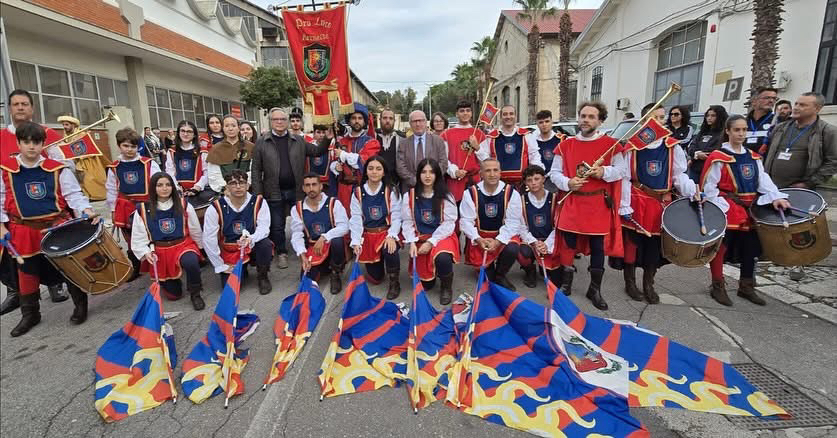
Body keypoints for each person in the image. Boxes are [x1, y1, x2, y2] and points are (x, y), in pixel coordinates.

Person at [0, 121, 99, 336]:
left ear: (43, 144)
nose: (31, 146)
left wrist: (86, 210)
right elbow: (0, 200)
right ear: (18, 143)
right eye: (26, 142)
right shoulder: (5, 170)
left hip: (56, 226)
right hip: (23, 229)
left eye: (36, 142)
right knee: (27, 272)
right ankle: (30, 314)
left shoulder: (57, 168)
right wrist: (1, 227)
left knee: (68, 266)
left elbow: (73, 195)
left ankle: (80, 304)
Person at [701, 115, 790, 306]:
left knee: (751, 248)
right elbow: (709, 187)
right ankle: (717, 285)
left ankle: (746, 286)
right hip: (729, 207)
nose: (741, 134)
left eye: (744, 130)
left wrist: (776, 197)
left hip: (751, 208)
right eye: (737, 130)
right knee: (721, 247)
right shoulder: (718, 157)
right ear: (728, 131)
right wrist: (721, 206)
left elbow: (763, 180)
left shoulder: (753, 156)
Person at [548, 101, 626, 311]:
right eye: (583, 116)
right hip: (572, 200)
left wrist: (604, 172)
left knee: (598, 246)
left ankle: (594, 289)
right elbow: (554, 173)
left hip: (597, 203)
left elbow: (621, 170)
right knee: (568, 244)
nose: (586, 120)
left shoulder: (611, 144)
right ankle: (566, 284)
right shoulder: (566, 145)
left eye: (591, 117)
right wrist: (568, 183)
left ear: (600, 121)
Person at [618, 103, 697, 304]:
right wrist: (624, 204)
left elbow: (679, 175)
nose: (661, 122)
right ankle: (630, 283)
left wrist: (691, 190)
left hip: (661, 203)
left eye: (662, 117)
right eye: (656, 118)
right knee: (632, 244)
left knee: (654, 246)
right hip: (637, 200)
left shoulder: (672, 146)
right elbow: (625, 178)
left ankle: (648, 284)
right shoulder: (632, 146)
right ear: (644, 121)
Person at [0, 90, 64, 314]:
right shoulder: (1, 137)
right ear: (9, 108)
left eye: (24, 104)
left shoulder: (48, 135)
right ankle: (15, 292)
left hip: (44, 204)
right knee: (14, 254)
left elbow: (64, 165)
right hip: (12, 206)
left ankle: (56, 285)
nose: (20, 107)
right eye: (16, 104)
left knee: (50, 248)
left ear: (32, 108)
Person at [251, 108, 330, 269]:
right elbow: (256, 169)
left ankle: (305, 249)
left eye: (282, 119)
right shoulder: (262, 142)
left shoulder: (298, 140)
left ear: (287, 122)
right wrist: (258, 193)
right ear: (271, 122)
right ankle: (282, 253)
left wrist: (327, 139)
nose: (279, 122)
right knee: (277, 225)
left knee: (303, 220)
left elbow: (317, 151)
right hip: (273, 191)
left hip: (297, 190)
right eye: (276, 119)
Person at [131, 172, 206, 309]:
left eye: (168, 185)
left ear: (172, 187)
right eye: (159, 185)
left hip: (183, 245)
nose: (164, 188)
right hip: (160, 251)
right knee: (174, 295)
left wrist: (201, 248)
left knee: (191, 262)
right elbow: (138, 236)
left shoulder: (183, 204)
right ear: (153, 188)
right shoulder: (142, 209)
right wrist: (146, 252)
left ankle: (195, 293)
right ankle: (173, 282)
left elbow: (195, 228)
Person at [203, 170, 273, 295]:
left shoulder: (259, 202)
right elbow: (209, 239)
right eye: (233, 183)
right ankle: (242, 269)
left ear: (248, 185)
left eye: (242, 182)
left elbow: (264, 228)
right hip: (230, 251)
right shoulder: (215, 207)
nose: (238, 186)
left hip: (251, 246)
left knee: (265, 244)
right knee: (230, 290)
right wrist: (220, 265)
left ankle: (263, 276)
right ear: (227, 187)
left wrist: (251, 238)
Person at [106, 128, 162, 281]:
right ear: (119, 146)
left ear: (138, 147)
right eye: (126, 146)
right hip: (126, 207)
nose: (129, 149)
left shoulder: (148, 163)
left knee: (152, 235)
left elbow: (159, 183)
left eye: (133, 146)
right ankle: (136, 267)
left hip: (146, 205)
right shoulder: (114, 167)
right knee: (130, 239)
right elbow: (111, 190)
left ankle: (158, 264)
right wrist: (113, 210)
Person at [460, 158, 523, 291]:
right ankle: (489, 270)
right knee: (487, 281)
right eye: (488, 170)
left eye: (495, 170)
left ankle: (500, 274)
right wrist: (478, 239)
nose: (492, 174)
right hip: (481, 239)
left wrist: (498, 241)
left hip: (502, 236)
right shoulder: (470, 193)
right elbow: (466, 221)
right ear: (481, 174)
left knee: (512, 248)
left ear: (500, 172)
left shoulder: (512, 193)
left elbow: (513, 222)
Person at [402, 158, 459, 304]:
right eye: (424, 172)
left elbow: (449, 223)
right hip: (420, 238)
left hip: (441, 236)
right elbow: (407, 222)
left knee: (443, 258)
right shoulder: (409, 196)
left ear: (437, 175)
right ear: (418, 174)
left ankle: (446, 286)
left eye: (432, 172)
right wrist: (411, 242)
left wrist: (431, 242)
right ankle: (433, 273)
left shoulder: (446, 196)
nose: (427, 176)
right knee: (427, 286)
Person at [349, 156, 402, 298]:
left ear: (384, 172)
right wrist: (356, 241)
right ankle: (379, 263)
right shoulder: (357, 192)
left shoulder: (391, 190)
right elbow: (356, 218)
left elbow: (397, 216)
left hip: (386, 233)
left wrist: (392, 235)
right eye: (371, 168)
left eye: (378, 169)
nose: (374, 172)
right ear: (365, 171)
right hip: (368, 235)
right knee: (375, 278)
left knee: (390, 250)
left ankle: (394, 282)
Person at [290, 173, 349, 295]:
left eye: (314, 184)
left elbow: (344, 227)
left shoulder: (333, 203)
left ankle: (336, 272)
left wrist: (324, 237)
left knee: (337, 240)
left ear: (321, 186)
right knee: (306, 282)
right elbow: (296, 234)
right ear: (303, 188)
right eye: (307, 185)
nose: (311, 188)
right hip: (313, 250)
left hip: (331, 247)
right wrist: (302, 255)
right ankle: (323, 268)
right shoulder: (298, 208)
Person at [764, 92, 837, 189]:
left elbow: (833, 162)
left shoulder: (827, 131)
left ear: (817, 109)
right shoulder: (780, 128)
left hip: (801, 191)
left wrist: (808, 184)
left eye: (802, 105)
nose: (796, 108)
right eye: (796, 104)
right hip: (771, 188)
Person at [330, 104, 382, 211]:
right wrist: (335, 167)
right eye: (353, 118)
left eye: (360, 118)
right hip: (343, 190)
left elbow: (364, 162)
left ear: (364, 121)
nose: (357, 121)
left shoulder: (371, 142)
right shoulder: (341, 141)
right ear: (349, 121)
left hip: (363, 189)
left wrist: (343, 155)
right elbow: (333, 162)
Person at [475, 105, 544, 184]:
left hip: (521, 183)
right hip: (498, 184)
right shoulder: (491, 137)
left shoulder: (526, 135)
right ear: (500, 117)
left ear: (516, 116)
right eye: (505, 114)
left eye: (511, 114)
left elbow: (535, 158)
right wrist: (477, 148)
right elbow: (486, 161)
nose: (508, 117)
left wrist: (539, 174)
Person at [517, 166, 561, 288]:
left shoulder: (555, 198)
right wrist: (535, 243)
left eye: (537, 179)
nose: (533, 183)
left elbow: (557, 226)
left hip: (550, 240)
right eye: (529, 180)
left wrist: (546, 244)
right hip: (531, 240)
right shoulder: (521, 200)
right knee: (522, 252)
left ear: (543, 179)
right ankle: (530, 270)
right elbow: (521, 227)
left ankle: (546, 268)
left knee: (554, 271)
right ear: (525, 183)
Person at [52, 115, 109, 202]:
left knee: (89, 179)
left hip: (87, 161)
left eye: (67, 125)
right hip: (77, 160)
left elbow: (83, 148)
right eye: (63, 125)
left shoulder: (81, 134)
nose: (64, 127)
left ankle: (94, 196)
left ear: (73, 125)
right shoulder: (67, 136)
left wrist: (76, 141)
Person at [440, 100, 485, 204]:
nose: (465, 113)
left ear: (471, 113)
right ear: (457, 114)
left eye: (468, 110)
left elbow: (486, 160)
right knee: (455, 209)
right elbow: (443, 159)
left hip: (474, 180)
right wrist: (454, 172)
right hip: (455, 181)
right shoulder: (446, 135)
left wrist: (477, 147)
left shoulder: (480, 134)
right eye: (462, 111)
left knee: (475, 208)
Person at [396, 110, 449, 194]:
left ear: (425, 122)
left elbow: (443, 163)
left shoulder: (438, 141)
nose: (418, 124)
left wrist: (429, 180)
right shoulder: (403, 144)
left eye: (420, 120)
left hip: (433, 189)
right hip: (410, 189)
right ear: (410, 124)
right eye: (414, 121)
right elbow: (400, 167)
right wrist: (415, 181)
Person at [207, 115, 254, 193]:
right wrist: (226, 188)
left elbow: (255, 170)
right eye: (226, 126)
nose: (230, 129)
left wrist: (245, 184)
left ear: (238, 128)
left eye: (233, 125)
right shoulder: (216, 149)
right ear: (223, 128)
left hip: (247, 190)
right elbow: (214, 175)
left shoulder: (250, 147)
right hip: (226, 192)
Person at [165, 120, 208, 197]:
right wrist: (176, 187)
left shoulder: (202, 151)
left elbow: (207, 172)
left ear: (194, 135)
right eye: (182, 131)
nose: (185, 134)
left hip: (198, 192)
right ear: (178, 133)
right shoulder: (172, 151)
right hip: (178, 192)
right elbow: (170, 172)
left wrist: (197, 187)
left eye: (189, 131)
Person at [687, 105, 728, 182]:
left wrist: (700, 154)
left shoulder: (724, 134)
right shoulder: (702, 132)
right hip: (695, 168)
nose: (709, 118)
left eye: (713, 116)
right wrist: (697, 154)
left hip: (712, 169)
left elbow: (717, 150)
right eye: (708, 115)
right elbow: (691, 146)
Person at [527, 110, 563, 192]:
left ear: (552, 122)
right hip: (538, 181)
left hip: (557, 180)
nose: (544, 124)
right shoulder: (532, 141)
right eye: (541, 122)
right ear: (537, 124)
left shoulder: (561, 140)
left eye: (547, 121)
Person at [376, 109, 404, 189]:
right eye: (385, 118)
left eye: (391, 118)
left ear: (394, 121)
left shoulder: (402, 138)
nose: (387, 121)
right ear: (380, 119)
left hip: (395, 184)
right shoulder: (372, 137)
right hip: (375, 183)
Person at [746, 87, 778, 154]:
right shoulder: (744, 121)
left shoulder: (777, 121)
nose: (771, 101)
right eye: (767, 98)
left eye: (774, 98)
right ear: (754, 101)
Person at [306, 124, 335, 195]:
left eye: (324, 132)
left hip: (327, 184)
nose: (321, 135)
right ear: (313, 134)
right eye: (318, 132)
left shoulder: (332, 148)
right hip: (310, 184)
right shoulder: (307, 147)